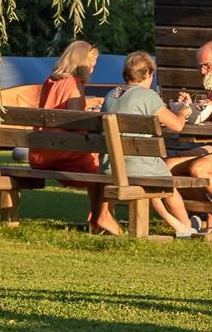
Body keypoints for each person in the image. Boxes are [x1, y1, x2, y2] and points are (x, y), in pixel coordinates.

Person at [99, 50, 196, 238]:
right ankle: (186, 225)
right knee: (167, 183)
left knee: (153, 177)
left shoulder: (111, 95)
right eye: (152, 74)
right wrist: (183, 112)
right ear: (147, 74)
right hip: (136, 165)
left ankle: (179, 226)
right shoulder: (148, 95)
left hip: (110, 166)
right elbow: (177, 126)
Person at [18, 42, 100, 181]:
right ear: (83, 66)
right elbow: (75, 123)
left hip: (40, 155)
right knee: (104, 165)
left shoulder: (50, 81)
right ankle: (98, 196)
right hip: (66, 156)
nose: (91, 71)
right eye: (91, 66)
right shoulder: (74, 85)